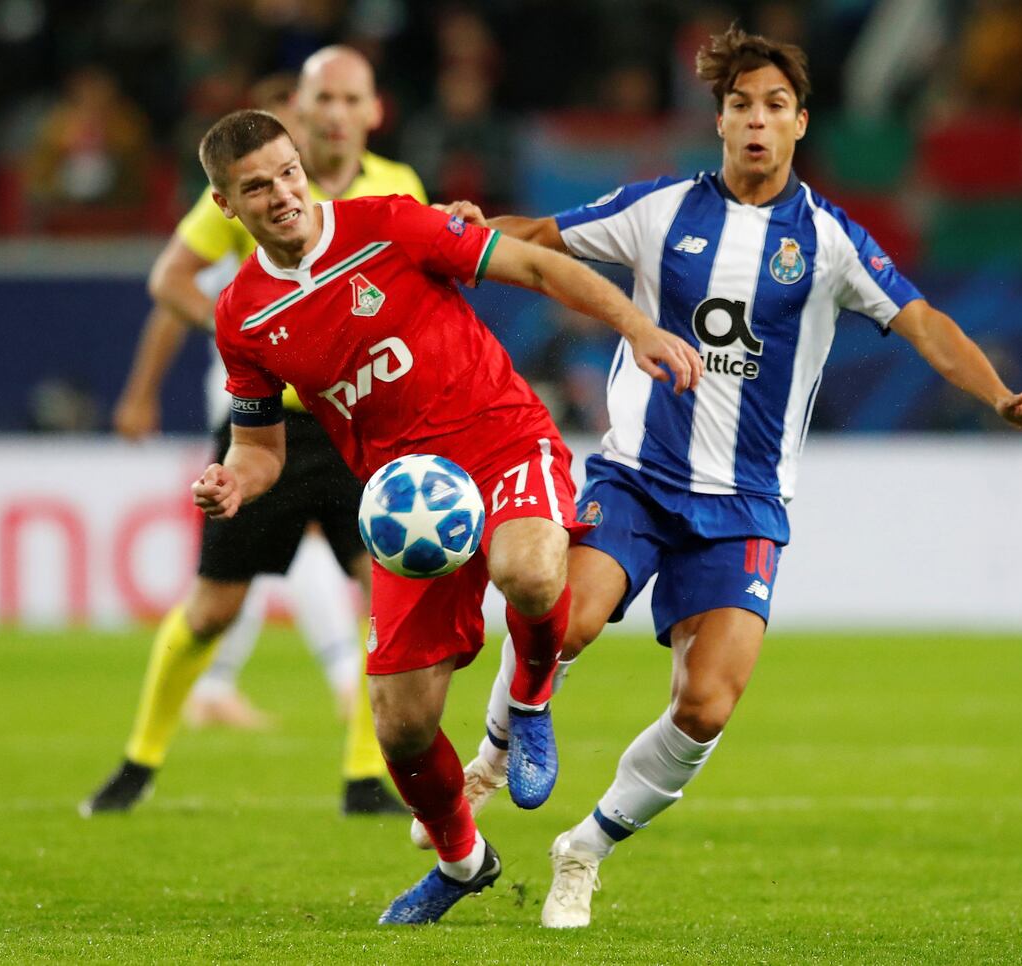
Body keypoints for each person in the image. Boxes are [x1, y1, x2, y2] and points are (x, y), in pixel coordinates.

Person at [441, 25, 1022, 928]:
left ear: (801, 123)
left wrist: (999, 396)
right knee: (563, 616)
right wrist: (455, 232)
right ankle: (496, 750)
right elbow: (537, 238)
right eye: (741, 107)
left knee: (707, 704)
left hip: (746, 506)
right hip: (639, 477)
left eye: (775, 107)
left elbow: (923, 322)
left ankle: (587, 850)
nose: (757, 122)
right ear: (720, 121)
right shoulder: (658, 210)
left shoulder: (830, 241)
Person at [190, 108, 701, 924]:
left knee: (530, 570)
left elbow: (534, 268)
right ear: (226, 205)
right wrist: (236, 483)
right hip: (406, 508)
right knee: (398, 724)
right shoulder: (243, 316)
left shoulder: (391, 225)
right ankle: (464, 862)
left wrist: (636, 328)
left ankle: (527, 708)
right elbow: (263, 448)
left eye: (289, 172)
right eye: (257, 187)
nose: (282, 193)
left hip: (502, 440)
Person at [82, 46, 425, 818]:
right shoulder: (248, 192)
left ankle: (364, 778)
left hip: (358, 424)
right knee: (211, 610)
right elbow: (169, 278)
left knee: (385, 598)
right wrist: (254, 340)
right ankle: (139, 761)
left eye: (349, 99)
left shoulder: (398, 186)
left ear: (372, 112)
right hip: (264, 428)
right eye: (321, 99)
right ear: (300, 111)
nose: (334, 114)